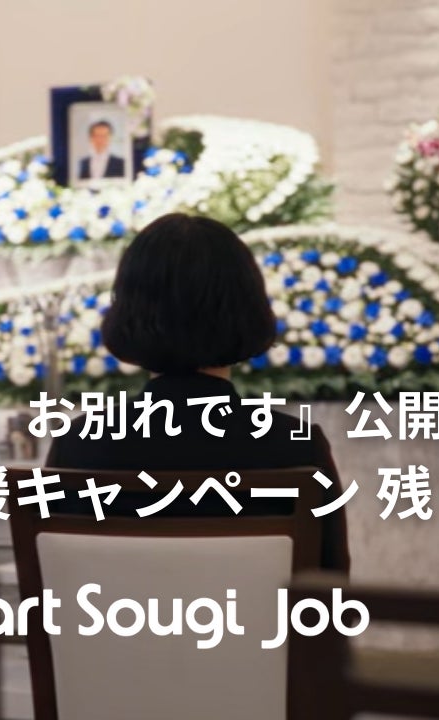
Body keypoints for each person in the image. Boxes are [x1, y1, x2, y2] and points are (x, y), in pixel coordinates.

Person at [45, 212, 350, 571]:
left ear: (128, 312)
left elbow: (53, 583)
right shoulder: (297, 447)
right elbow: (331, 589)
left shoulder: (79, 444)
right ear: (248, 309)